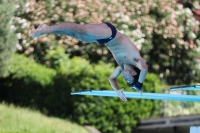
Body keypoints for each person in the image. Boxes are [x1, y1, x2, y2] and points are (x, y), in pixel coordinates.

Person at [31, 22, 148, 102]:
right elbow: (144, 69)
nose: (124, 78)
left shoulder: (121, 68)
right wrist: (139, 84)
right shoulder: (135, 59)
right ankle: (47, 29)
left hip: (104, 39)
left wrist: (118, 91)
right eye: (128, 79)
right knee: (82, 30)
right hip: (111, 33)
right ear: (133, 73)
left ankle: (49, 30)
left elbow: (111, 79)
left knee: (77, 34)